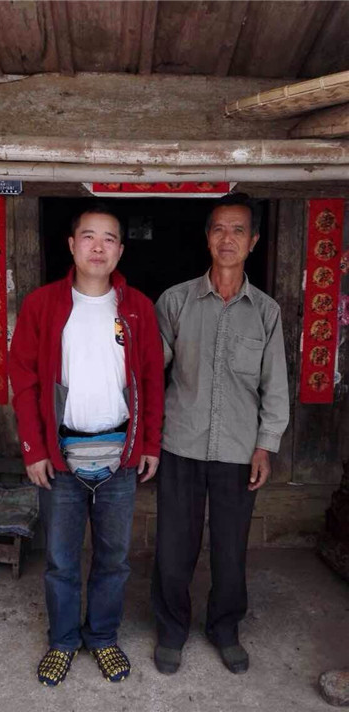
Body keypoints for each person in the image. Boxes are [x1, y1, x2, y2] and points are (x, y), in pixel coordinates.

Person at [9, 203, 164, 686]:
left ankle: (102, 636)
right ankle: (62, 641)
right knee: (61, 560)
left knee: (113, 559)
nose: (99, 247)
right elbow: (24, 381)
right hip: (60, 459)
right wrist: (34, 450)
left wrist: (150, 443)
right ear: (72, 245)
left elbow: (152, 380)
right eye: (89, 237)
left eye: (109, 238)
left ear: (120, 250)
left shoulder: (137, 308)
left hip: (120, 457)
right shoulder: (42, 305)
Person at [152, 193, 289, 676]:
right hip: (181, 443)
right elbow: (150, 371)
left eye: (238, 231)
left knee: (230, 550)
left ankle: (224, 628)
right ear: (207, 237)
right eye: (218, 229)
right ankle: (171, 630)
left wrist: (265, 445)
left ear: (253, 242)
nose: (227, 239)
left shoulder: (266, 312)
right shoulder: (175, 301)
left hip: (237, 449)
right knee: (174, 546)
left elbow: (274, 385)